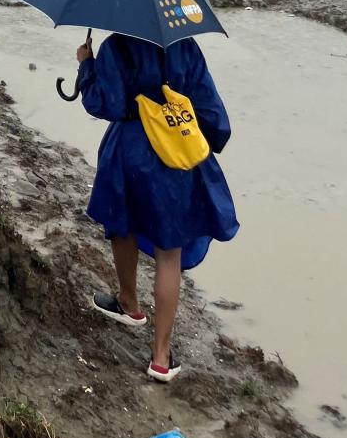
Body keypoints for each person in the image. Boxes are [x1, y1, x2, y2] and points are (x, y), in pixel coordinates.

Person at [75, 33, 239, 383]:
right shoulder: (186, 46)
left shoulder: (118, 45)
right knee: (170, 254)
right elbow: (210, 110)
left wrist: (87, 65)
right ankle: (161, 356)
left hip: (128, 151)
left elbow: (103, 104)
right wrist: (208, 141)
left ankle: (129, 303)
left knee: (122, 226)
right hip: (175, 158)